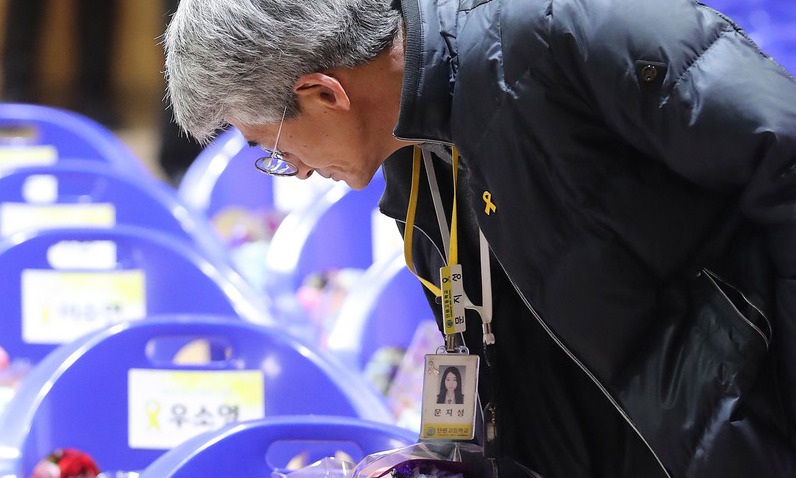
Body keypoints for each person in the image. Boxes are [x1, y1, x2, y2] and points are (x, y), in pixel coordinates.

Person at [163, 0, 796, 476]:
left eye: (269, 146)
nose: (292, 170)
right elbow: (472, 349)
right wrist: (437, 460)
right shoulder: (411, 160)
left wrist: (764, 390)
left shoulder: (568, 31)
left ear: (324, 92)